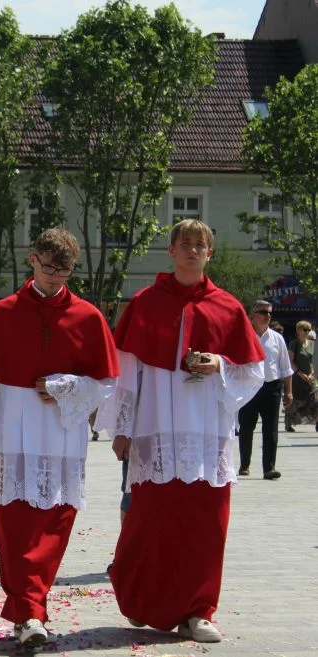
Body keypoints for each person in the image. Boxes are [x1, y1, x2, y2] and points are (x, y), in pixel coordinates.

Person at [96, 219, 264, 643]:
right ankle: (139, 600)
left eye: (200, 245)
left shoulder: (227, 306)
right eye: (185, 244)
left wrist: (221, 365)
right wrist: (121, 426)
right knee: (148, 522)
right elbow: (127, 370)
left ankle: (197, 611)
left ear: (210, 252)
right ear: (170, 250)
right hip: (154, 431)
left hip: (207, 434)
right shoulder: (146, 302)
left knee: (206, 525)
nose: (192, 251)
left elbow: (253, 371)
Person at [0, 228, 119, 648]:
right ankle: (28, 610)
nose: (54, 278)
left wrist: (64, 386)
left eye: (63, 271)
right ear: (32, 260)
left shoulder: (88, 317)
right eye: (48, 268)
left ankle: (32, 606)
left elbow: (104, 383)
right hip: (13, 428)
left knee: (54, 523)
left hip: (62, 434)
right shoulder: (4, 313)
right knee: (16, 523)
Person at [237, 300, 292, 480]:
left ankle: (269, 468)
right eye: (263, 312)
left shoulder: (277, 339)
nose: (267, 316)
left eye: (269, 313)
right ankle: (244, 464)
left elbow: (285, 367)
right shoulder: (243, 336)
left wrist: (289, 392)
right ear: (253, 315)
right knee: (246, 427)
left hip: (272, 387)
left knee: (271, 429)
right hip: (249, 387)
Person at [285, 320, 317, 431]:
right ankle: (288, 423)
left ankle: (317, 422)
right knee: (295, 401)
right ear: (299, 331)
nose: (307, 332)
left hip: (310, 376)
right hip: (297, 376)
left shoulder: (312, 344)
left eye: (309, 330)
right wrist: (300, 373)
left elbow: (313, 361)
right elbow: (290, 361)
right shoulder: (294, 344)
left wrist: (312, 374)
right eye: (305, 329)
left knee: (314, 400)